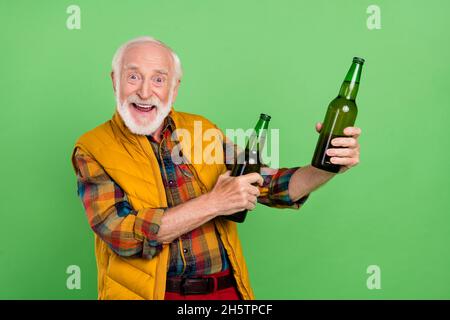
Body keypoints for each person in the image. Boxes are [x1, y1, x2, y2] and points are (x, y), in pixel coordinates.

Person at [70, 36, 362, 300]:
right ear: (114, 80)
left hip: (223, 293)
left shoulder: (201, 129)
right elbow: (121, 234)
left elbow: (265, 184)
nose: (145, 92)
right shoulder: (93, 148)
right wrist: (214, 202)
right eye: (133, 76)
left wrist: (324, 168)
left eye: (159, 80)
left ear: (174, 87)